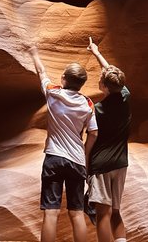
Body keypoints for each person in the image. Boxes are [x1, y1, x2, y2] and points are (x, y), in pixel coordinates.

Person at [28, 46, 98, 242]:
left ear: (64, 79)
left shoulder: (53, 94)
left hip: (54, 157)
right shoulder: (88, 103)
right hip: (76, 160)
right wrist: (84, 153)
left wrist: (34, 53)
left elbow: (42, 72)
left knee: (51, 213)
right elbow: (93, 132)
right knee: (76, 213)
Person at [86, 37, 132, 242]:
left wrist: (86, 167)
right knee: (115, 212)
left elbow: (92, 139)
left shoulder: (97, 110)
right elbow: (115, 77)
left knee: (102, 214)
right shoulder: (125, 96)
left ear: (103, 86)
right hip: (121, 164)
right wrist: (97, 53)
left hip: (101, 165)